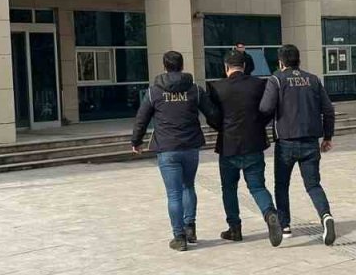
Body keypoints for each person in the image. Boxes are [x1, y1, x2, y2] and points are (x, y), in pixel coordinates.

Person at [131, 51, 217, 252]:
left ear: (165, 66)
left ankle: (179, 237)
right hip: (190, 147)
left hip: (167, 148)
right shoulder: (194, 89)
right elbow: (212, 113)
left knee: (173, 194)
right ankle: (190, 228)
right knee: (189, 187)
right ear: (182, 65)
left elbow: (141, 119)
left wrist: (136, 141)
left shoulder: (154, 91)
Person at [260, 44, 337, 245]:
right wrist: (327, 137)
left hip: (286, 142)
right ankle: (326, 216)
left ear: (281, 62)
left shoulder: (276, 79)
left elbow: (265, 108)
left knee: (282, 185)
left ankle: (284, 225)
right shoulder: (313, 79)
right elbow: (328, 110)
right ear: (298, 60)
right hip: (311, 141)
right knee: (313, 184)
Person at [208, 49, 284, 246]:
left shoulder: (217, 87)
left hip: (228, 145)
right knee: (257, 185)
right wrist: (258, 124)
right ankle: (270, 213)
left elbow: (213, 117)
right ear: (244, 67)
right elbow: (268, 109)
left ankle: (235, 228)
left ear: (226, 68)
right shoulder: (259, 84)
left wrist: (222, 127)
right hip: (254, 142)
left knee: (229, 188)